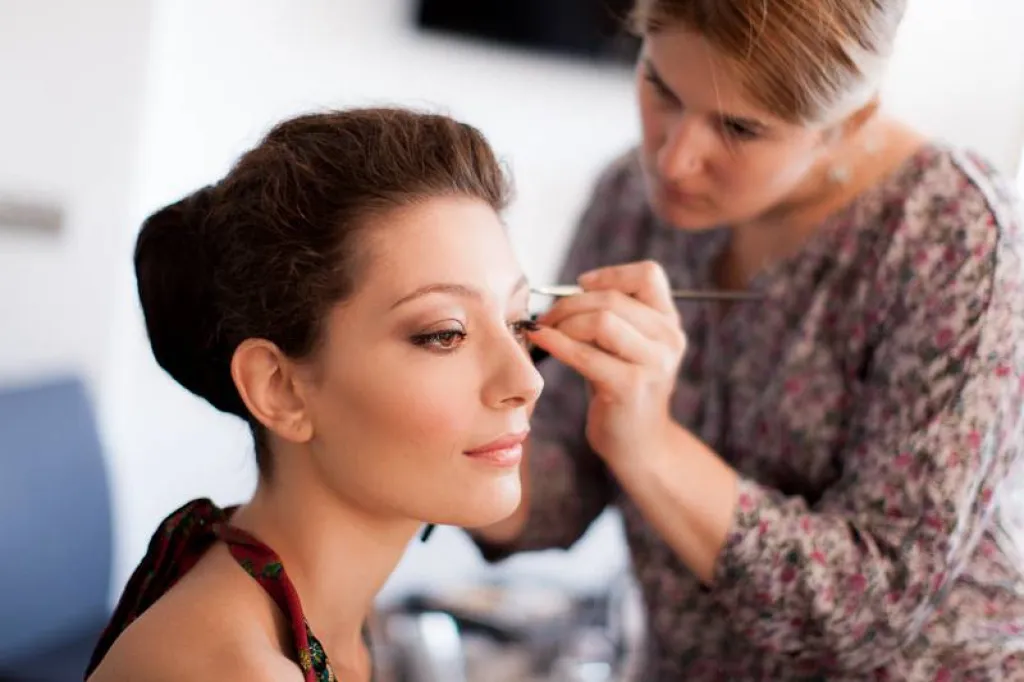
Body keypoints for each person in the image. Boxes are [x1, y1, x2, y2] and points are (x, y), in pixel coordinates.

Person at [473, 0, 1024, 679]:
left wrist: (650, 444)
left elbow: (873, 606)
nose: (674, 160)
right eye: (661, 88)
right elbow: (562, 485)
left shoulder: (958, 240)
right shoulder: (629, 199)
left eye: (739, 127)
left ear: (849, 121)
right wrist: (435, 439)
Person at [85, 108, 544, 682]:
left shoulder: (338, 624)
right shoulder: (231, 671)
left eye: (520, 322)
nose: (527, 381)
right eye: (444, 334)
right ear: (280, 389)